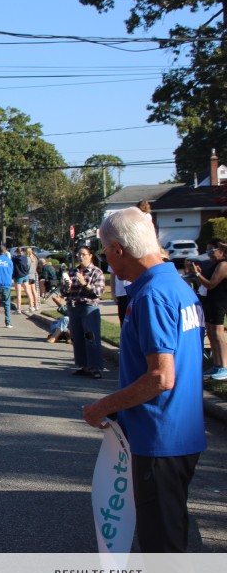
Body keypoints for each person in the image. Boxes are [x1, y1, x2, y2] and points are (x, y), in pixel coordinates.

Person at [82, 207, 206, 553]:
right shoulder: (177, 287)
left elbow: (160, 377)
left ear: (118, 249)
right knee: (170, 533)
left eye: (105, 251)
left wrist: (103, 406)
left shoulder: (152, 295)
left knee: (162, 546)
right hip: (182, 431)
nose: (107, 261)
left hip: (159, 437)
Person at [67, 246, 106, 378]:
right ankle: (83, 366)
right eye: (79, 254)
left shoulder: (97, 272)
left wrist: (84, 283)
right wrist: (66, 287)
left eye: (83, 254)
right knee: (77, 338)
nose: (80, 257)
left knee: (91, 337)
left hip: (89, 307)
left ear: (90, 256)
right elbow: (65, 292)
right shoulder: (73, 272)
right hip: (74, 306)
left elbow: (98, 292)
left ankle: (95, 367)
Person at [192, 241, 227, 380]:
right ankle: (217, 364)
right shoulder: (214, 264)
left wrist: (196, 274)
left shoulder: (223, 265)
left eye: (212, 250)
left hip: (219, 302)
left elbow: (211, 284)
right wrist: (199, 274)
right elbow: (204, 283)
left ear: (221, 251)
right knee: (211, 334)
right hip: (209, 301)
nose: (210, 254)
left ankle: (224, 366)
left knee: (218, 334)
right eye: (208, 251)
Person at [11, 248, 31, 314]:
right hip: (25, 275)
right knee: (28, 291)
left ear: (17, 252)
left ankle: (19, 309)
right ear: (22, 252)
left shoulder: (14, 259)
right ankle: (31, 306)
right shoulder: (25, 258)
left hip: (18, 276)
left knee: (18, 293)